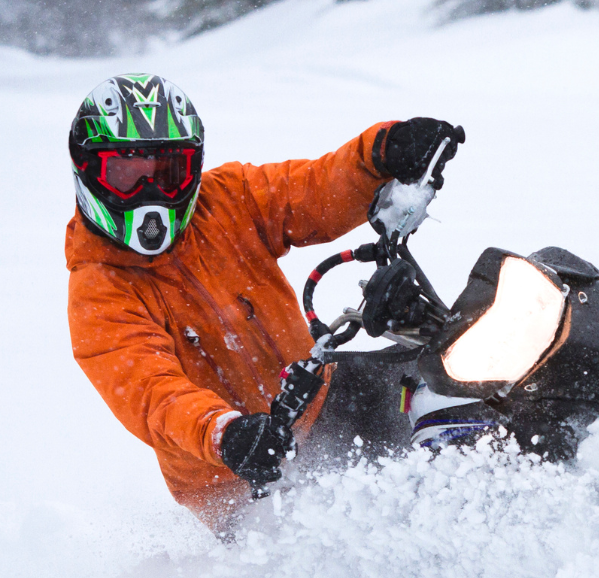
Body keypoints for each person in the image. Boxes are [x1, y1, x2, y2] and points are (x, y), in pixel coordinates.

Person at [66, 73, 463, 530]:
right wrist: (225, 433)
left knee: (452, 378)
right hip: (237, 475)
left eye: (169, 172)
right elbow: (152, 393)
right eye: (128, 173)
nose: (150, 193)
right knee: (349, 554)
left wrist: (381, 152)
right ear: (89, 170)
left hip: (318, 395)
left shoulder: (226, 199)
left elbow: (315, 190)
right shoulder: (99, 291)